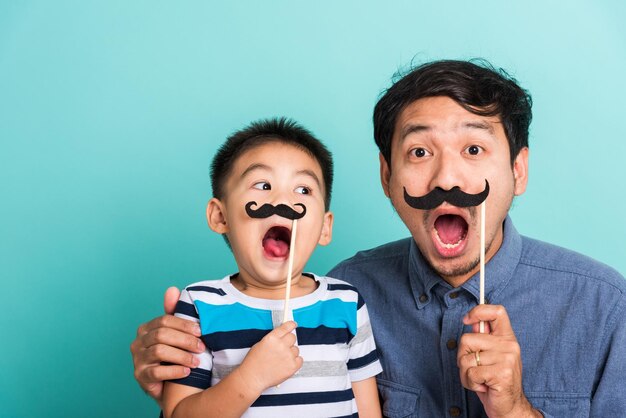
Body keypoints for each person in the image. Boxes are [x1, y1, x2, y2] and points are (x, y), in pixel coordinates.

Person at [131, 60, 626, 417]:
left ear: (518, 170)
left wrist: (515, 410)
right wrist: (183, 370)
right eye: (418, 152)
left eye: (473, 147)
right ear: (387, 177)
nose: (445, 179)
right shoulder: (344, 291)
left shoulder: (605, 306)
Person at [158, 117, 382, 418]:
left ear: (324, 229)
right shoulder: (201, 305)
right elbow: (178, 414)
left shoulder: (346, 302)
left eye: (303, 190)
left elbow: (368, 409)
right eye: (263, 185)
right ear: (219, 216)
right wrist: (251, 377)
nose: (282, 201)